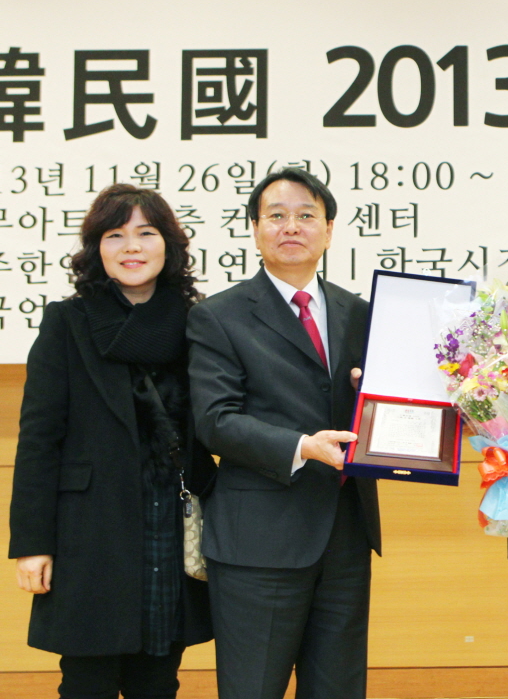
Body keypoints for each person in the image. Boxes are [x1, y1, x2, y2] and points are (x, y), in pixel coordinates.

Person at [9, 184, 215, 699]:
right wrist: (33, 544)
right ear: (96, 248)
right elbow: (38, 439)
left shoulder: (199, 323)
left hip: (171, 526)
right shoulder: (68, 322)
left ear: (168, 244)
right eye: (115, 234)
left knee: (158, 679)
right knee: (87, 681)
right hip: (89, 532)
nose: (132, 247)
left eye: (146, 233)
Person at [186, 167, 379, 699]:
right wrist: (301, 447)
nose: (290, 226)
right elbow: (215, 420)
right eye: (276, 216)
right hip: (259, 541)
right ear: (254, 228)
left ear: (329, 229)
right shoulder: (218, 316)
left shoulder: (359, 312)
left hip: (345, 535)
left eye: (305, 216)